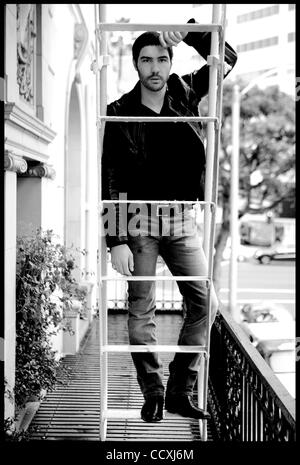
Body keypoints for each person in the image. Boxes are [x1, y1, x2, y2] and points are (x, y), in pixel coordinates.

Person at [102, 18, 237, 422]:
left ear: (169, 61)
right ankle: (153, 391)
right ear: (136, 65)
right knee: (140, 310)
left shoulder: (184, 90)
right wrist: (116, 240)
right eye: (147, 60)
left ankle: (181, 386)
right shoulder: (118, 112)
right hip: (139, 221)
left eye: (162, 59)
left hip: (181, 218)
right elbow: (111, 178)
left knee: (205, 301)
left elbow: (226, 60)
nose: (155, 68)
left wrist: (191, 31)